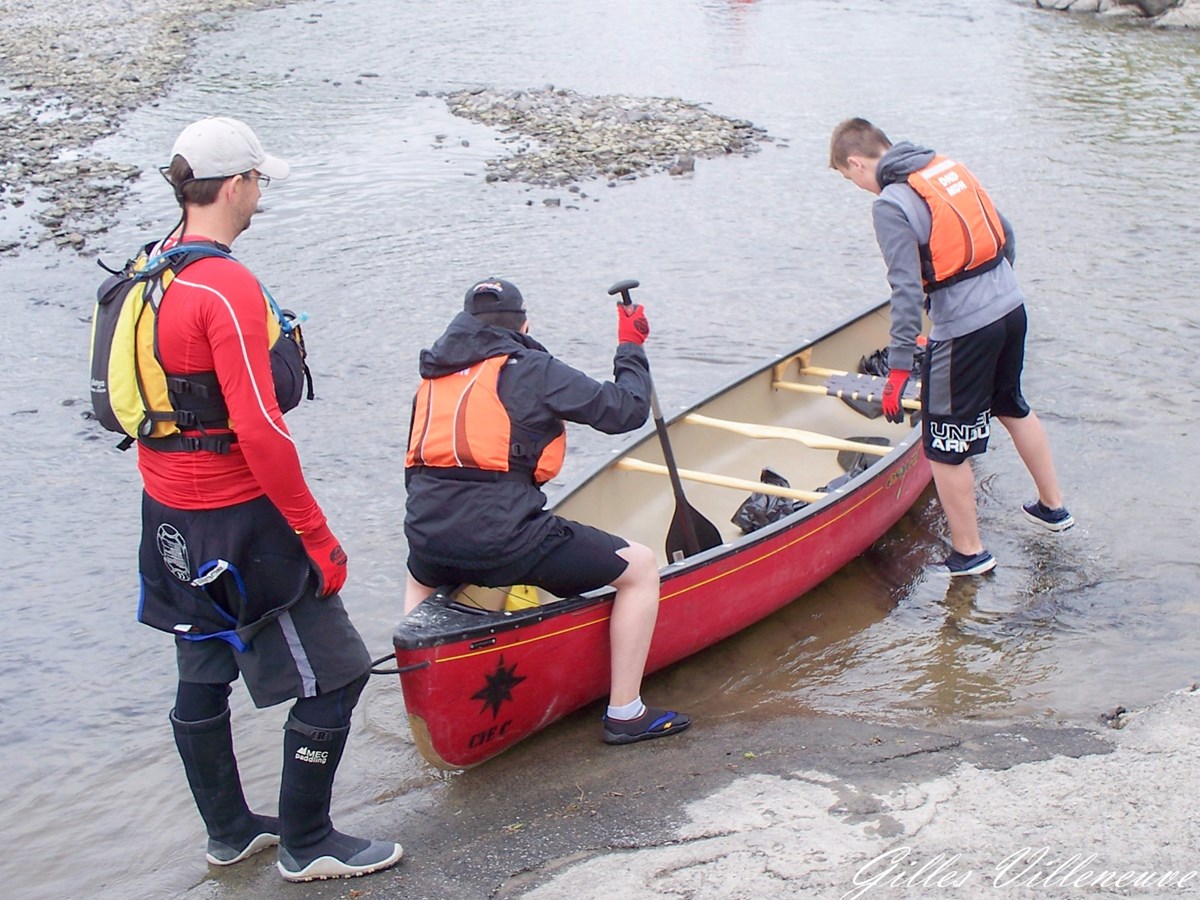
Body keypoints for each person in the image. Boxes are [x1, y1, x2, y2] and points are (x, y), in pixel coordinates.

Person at [126, 116, 401, 881]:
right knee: (339, 673)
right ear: (237, 185)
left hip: (168, 516)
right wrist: (316, 535)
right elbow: (260, 429)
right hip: (240, 520)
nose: (260, 195)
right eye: (258, 181)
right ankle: (307, 842)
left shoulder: (151, 268)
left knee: (203, 660)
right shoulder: (225, 285)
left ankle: (229, 832)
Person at [402, 279, 691, 744]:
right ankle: (625, 713)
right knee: (640, 568)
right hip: (508, 542)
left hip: (428, 540)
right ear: (524, 325)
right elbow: (626, 411)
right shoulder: (532, 368)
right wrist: (630, 346)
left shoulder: (432, 380)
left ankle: (422, 705)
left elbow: (417, 472)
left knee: (419, 575)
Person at [829, 117, 1073, 577]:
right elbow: (1005, 234)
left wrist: (899, 370)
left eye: (849, 178)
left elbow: (904, 291)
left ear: (857, 163)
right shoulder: (945, 169)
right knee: (1012, 404)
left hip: (965, 328)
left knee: (942, 443)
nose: (857, 187)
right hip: (1011, 307)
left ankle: (970, 553)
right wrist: (989, 291)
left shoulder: (891, 203)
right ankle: (1052, 508)